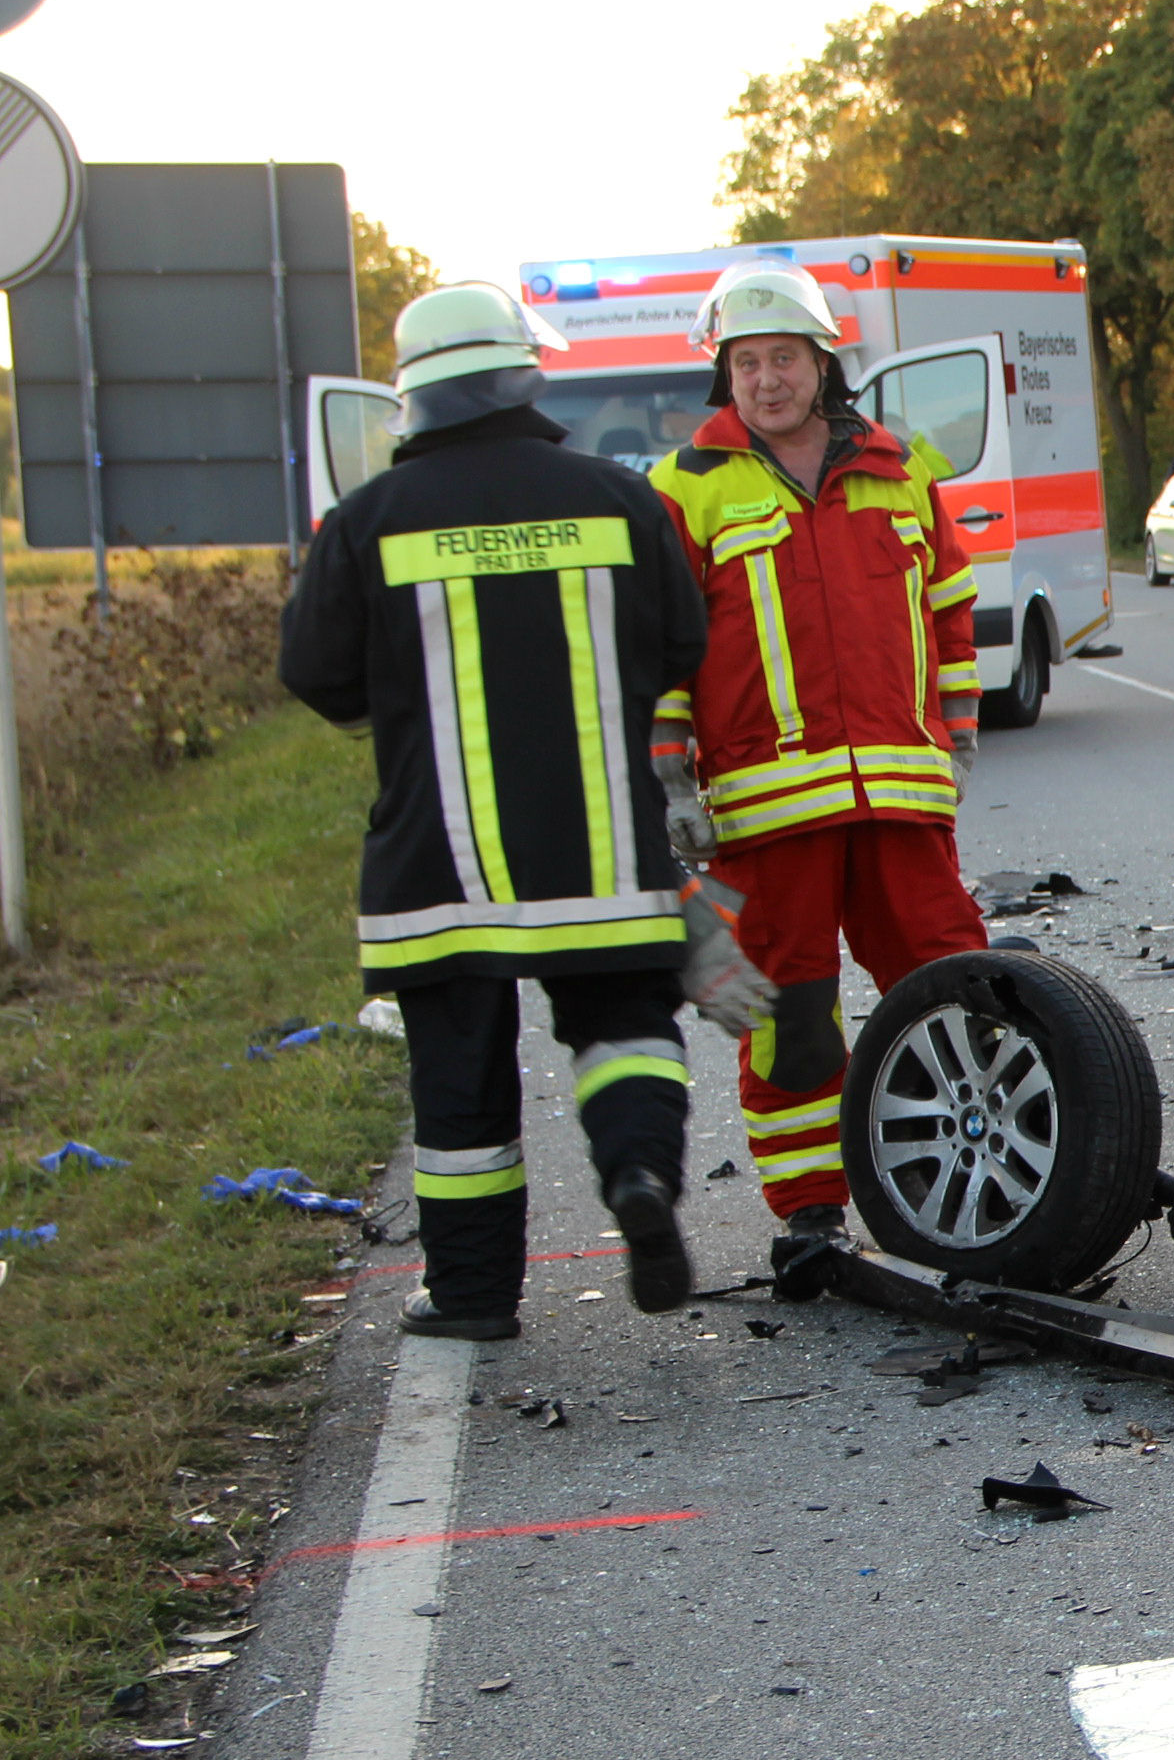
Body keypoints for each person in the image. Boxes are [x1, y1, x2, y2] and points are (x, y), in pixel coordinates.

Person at [280, 284, 711, 1340]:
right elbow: (681, 646)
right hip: (604, 849)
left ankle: (473, 1298)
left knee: (458, 1088)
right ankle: (640, 1177)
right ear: (526, 372)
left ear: (413, 399)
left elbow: (316, 674)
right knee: (626, 1033)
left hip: (440, 865)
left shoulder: (366, 519)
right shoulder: (620, 497)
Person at [647, 261, 991, 1264]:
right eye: (746, 362)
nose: (767, 380)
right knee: (789, 1010)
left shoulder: (903, 467)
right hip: (764, 807)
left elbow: (950, 607)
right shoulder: (685, 488)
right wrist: (671, 771)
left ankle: (954, 1175)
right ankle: (811, 1212)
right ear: (724, 375)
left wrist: (955, 730)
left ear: (821, 363)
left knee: (952, 985)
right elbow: (662, 646)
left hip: (899, 792)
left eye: (783, 358)